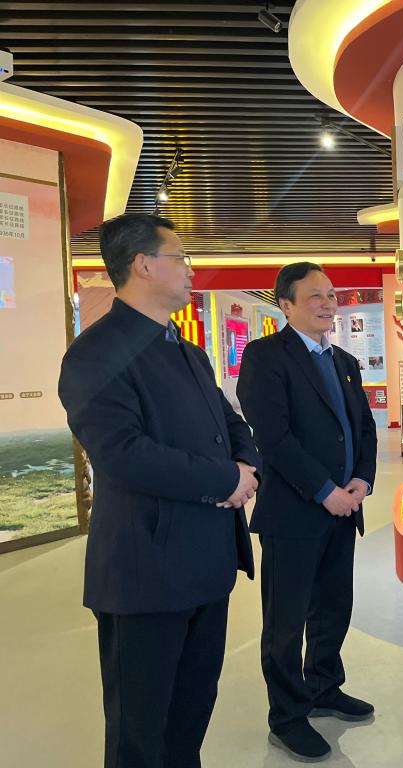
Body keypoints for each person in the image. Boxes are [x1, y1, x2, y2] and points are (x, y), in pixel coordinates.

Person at [58, 213, 261, 768]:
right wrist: (226, 479)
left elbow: (230, 422)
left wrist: (247, 464)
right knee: (140, 730)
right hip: (146, 569)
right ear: (144, 265)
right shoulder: (94, 353)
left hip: (208, 562)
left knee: (191, 714)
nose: (191, 270)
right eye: (181, 258)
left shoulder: (188, 352)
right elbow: (122, 454)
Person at [237, 262, 377, 763]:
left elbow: (363, 428)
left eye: (331, 294)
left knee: (333, 608)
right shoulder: (265, 356)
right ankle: (287, 716)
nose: (327, 303)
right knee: (286, 621)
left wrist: (362, 479)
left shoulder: (344, 360)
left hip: (344, 508)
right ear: (286, 304)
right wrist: (324, 490)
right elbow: (273, 437)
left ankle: (324, 686)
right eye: (315, 295)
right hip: (294, 514)